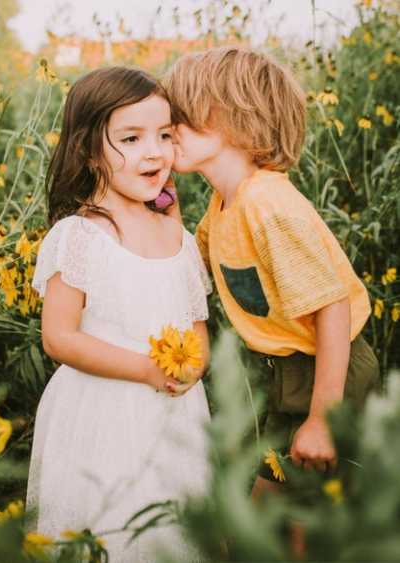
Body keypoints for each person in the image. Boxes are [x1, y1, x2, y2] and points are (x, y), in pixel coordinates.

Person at [164, 46, 380, 552]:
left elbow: (332, 307)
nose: (168, 126)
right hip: (286, 372)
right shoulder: (223, 204)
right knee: (265, 505)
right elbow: (188, 263)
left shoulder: (267, 204)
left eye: (181, 114)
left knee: (306, 516)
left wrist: (322, 419)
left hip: (327, 370)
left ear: (231, 121)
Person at [27, 66, 212, 561]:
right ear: (88, 150)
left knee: (168, 533)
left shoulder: (180, 238)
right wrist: (144, 370)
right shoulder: (80, 237)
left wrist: (192, 367)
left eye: (165, 135)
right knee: (111, 532)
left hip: (175, 415)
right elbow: (60, 338)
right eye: (131, 138)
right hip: (101, 415)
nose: (154, 151)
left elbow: (197, 324)